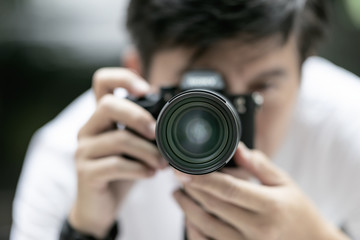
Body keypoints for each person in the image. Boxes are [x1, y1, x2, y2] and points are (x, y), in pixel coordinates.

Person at [10, 0, 360, 239]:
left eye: (262, 87)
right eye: (203, 92)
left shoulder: (348, 120)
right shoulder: (72, 153)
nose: (230, 118)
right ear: (138, 73)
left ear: (304, 73)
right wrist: (85, 229)